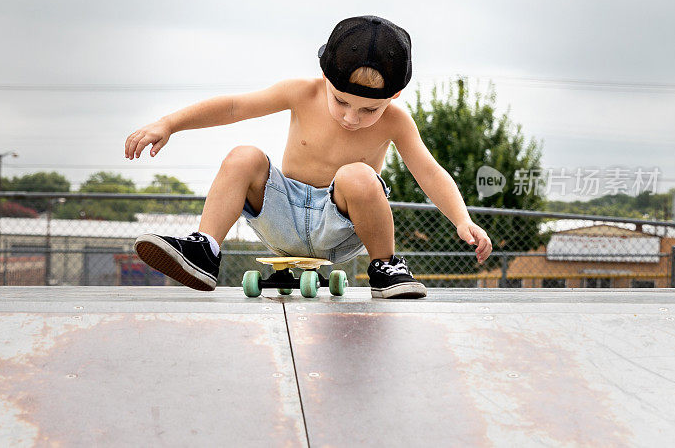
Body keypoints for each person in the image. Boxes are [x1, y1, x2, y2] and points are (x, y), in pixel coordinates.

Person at [124, 15, 492, 299]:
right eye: (342, 102)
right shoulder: (301, 92)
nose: (352, 118)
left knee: (358, 175)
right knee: (243, 156)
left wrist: (462, 219)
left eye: (369, 111)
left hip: (339, 226)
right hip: (281, 214)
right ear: (324, 78)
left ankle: (385, 267)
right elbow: (235, 107)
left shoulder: (397, 122)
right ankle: (205, 251)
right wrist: (169, 123)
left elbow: (428, 172)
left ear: (392, 98)